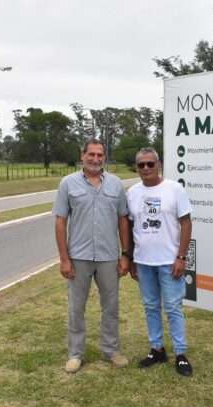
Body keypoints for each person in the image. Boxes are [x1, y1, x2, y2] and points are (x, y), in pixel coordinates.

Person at [52, 139, 131, 374]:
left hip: (108, 257)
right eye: (91, 154)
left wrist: (125, 255)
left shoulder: (116, 184)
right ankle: (75, 354)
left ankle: (111, 350)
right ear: (83, 155)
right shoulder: (68, 184)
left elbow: (123, 220)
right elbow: (60, 221)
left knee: (111, 306)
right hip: (78, 257)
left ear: (104, 157)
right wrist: (64, 258)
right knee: (76, 308)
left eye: (100, 155)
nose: (96, 159)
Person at [127, 148, 193, 376]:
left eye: (150, 164)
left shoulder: (175, 189)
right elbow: (130, 225)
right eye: (141, 165)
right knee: (151, 307)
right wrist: (130, 256)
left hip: (169, 261)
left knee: (174, 308)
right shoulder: (133, 193)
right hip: (143, 262)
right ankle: (157, 349)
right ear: (137, 168)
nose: (146, 168)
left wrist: (182, 257)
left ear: (159, 164)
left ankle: (181, 354)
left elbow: (186, 223)